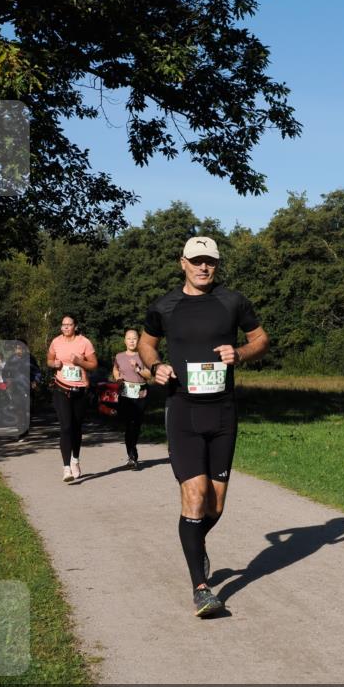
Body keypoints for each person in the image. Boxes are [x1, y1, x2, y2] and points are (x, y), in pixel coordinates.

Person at [139, 236, 270, 617]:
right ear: (182, 262)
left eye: (209, 261)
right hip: (182, 411)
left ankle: (194, 543)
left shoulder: (233, 302)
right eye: (196, 261)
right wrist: (155, 366)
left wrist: (241, 353)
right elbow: (147, 345)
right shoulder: (164, 306)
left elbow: (261, 339)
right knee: (195, 495)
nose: (203, 267)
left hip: (223, 413)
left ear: (216, 264)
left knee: (215, 503)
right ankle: (201, 587)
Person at [47, 317, 98, 482]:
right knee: (66, 427)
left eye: (69, 325)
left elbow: (94, 365)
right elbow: (49, 360)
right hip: (61, 388)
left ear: (75, 326)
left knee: (76, 427)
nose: (66, 327)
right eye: (63, 325)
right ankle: (66, 468)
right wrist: (53, 364)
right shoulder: (56, 342)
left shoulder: (84, 342)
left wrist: (80, 362)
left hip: (80, 390)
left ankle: (75, 459)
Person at [112, 328, 152, 469]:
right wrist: (118, 378)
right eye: (129, 338)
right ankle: (132, 455)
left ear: (138, 340)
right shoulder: (119, 356)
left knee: (137, 425)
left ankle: (132, 452)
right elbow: (116, 369)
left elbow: (149, 375)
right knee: (129, 424)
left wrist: (138, 370)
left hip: (141, 393)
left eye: (134, 338)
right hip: (126, 393)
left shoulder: (144, 356)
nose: (131, 341)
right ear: (125, 341)